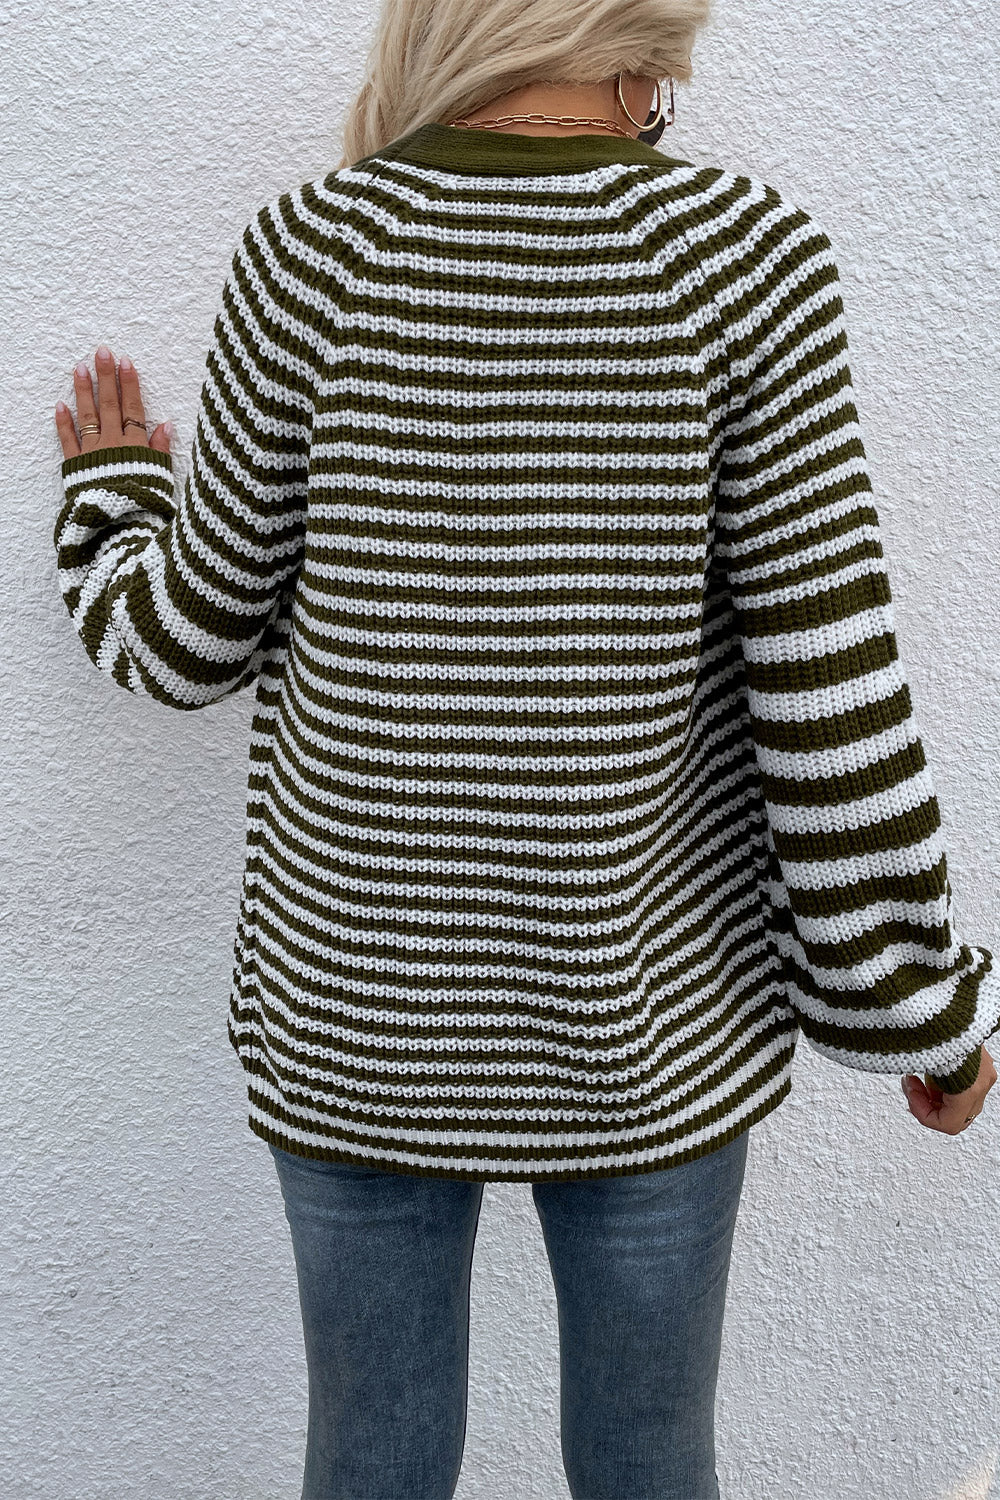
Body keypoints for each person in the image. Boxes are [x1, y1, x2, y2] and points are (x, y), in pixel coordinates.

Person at [52, 1, 998, 1496]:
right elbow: (827, 690)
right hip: (649, 1024)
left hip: (359, 1020)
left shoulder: (312, 250)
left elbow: (182, 647)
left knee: (370, 1459)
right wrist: (913, 1001)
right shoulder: (744, 259)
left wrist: (111, 499)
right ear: (637, 45)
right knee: (649, 1460)